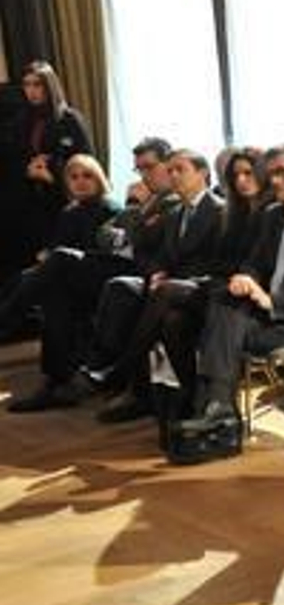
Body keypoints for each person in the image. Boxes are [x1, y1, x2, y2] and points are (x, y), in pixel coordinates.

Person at [171, 145, 284, 463]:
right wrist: (246, 279)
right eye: (271, 174)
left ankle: (219, 414)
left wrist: (273, 300)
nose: (274, 180)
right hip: (274, 313)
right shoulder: (273, 216)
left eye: (282, 172)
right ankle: (220, 412)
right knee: (222, 301)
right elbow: (254, 262)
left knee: (223, 328)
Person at [4, 138, 178, 412]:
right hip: (114, 264)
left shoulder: (174, 199)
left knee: (60, 259)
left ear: (169, 165)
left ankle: (6, 321)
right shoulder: (144, 202)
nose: (144, 175)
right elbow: (107, 236)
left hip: (141, 273)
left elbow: (144, 244)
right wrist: (134, 215)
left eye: (149, 167)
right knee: (54, 288)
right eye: (139, 169)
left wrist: (133, 217)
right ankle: (57, 380)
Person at [87, 148, 227, 422]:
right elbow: (159, 256)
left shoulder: (221, 210)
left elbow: (222, 265)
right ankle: (174, 395)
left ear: (202, 173)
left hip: (205, 289)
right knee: (134, 294)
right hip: (172, 293)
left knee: (163, 297)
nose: (173, 175)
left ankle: (121, 370)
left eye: (181, 169)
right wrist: (158, 272)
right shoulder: (175, 213)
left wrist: (170, 282)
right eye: (170, 170)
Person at [0, 153, 118, 343]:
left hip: (98, 270)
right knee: (21, 277)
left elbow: (104, 250)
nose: (80, 181)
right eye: (74, 177)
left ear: (99, 179)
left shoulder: (110, 209)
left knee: (44, 272)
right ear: (67, 182)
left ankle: (4, 322)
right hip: (67, 268)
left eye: (87, 176)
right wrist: (46, 254)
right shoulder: (69, 212)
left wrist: (53, 257)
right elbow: (58, 245)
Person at [13, 61, 95, 275]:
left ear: (49, 86)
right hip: (34, 199)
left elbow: (87, 162)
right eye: (27, 85)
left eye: (37, 84)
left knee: (64, 258)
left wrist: (53, 172)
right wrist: (28, 169)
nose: (31, 91)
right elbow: (15, 158)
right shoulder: (22, 121)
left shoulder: (70, 119)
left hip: (66, 198)